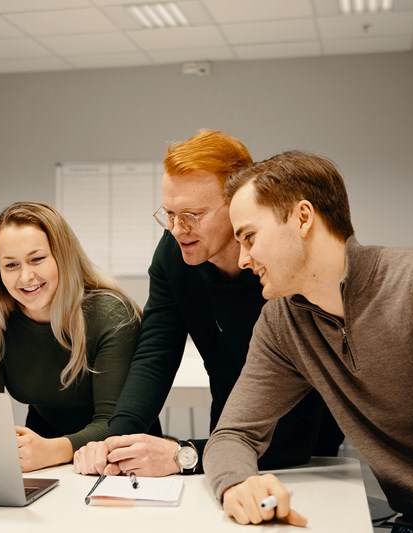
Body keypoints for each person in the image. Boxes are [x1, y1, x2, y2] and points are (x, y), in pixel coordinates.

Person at [73, 130, 343, 478]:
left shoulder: (284, 271)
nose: (177, 228)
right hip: (228, 433)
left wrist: (181, 455)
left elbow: (296, 435)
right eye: (169, 213)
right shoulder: (175, 254)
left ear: (238, 205)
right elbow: (156, 352)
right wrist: (117, 438)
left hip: (305, 453)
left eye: (192, 214)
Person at [204, 151, 413, 532]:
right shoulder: (283, 322)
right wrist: (238, 484)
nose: (244, 258)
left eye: (250, 237)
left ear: (303, 217)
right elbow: (233, 434)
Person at [0, 202, 142, 472]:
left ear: (63, 256)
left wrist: (51, 450)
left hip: (117, 454)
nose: (26, 276)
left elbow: (114, 423)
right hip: (40, 451)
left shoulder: (109, 313)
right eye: (10, 265)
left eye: (37, 259)